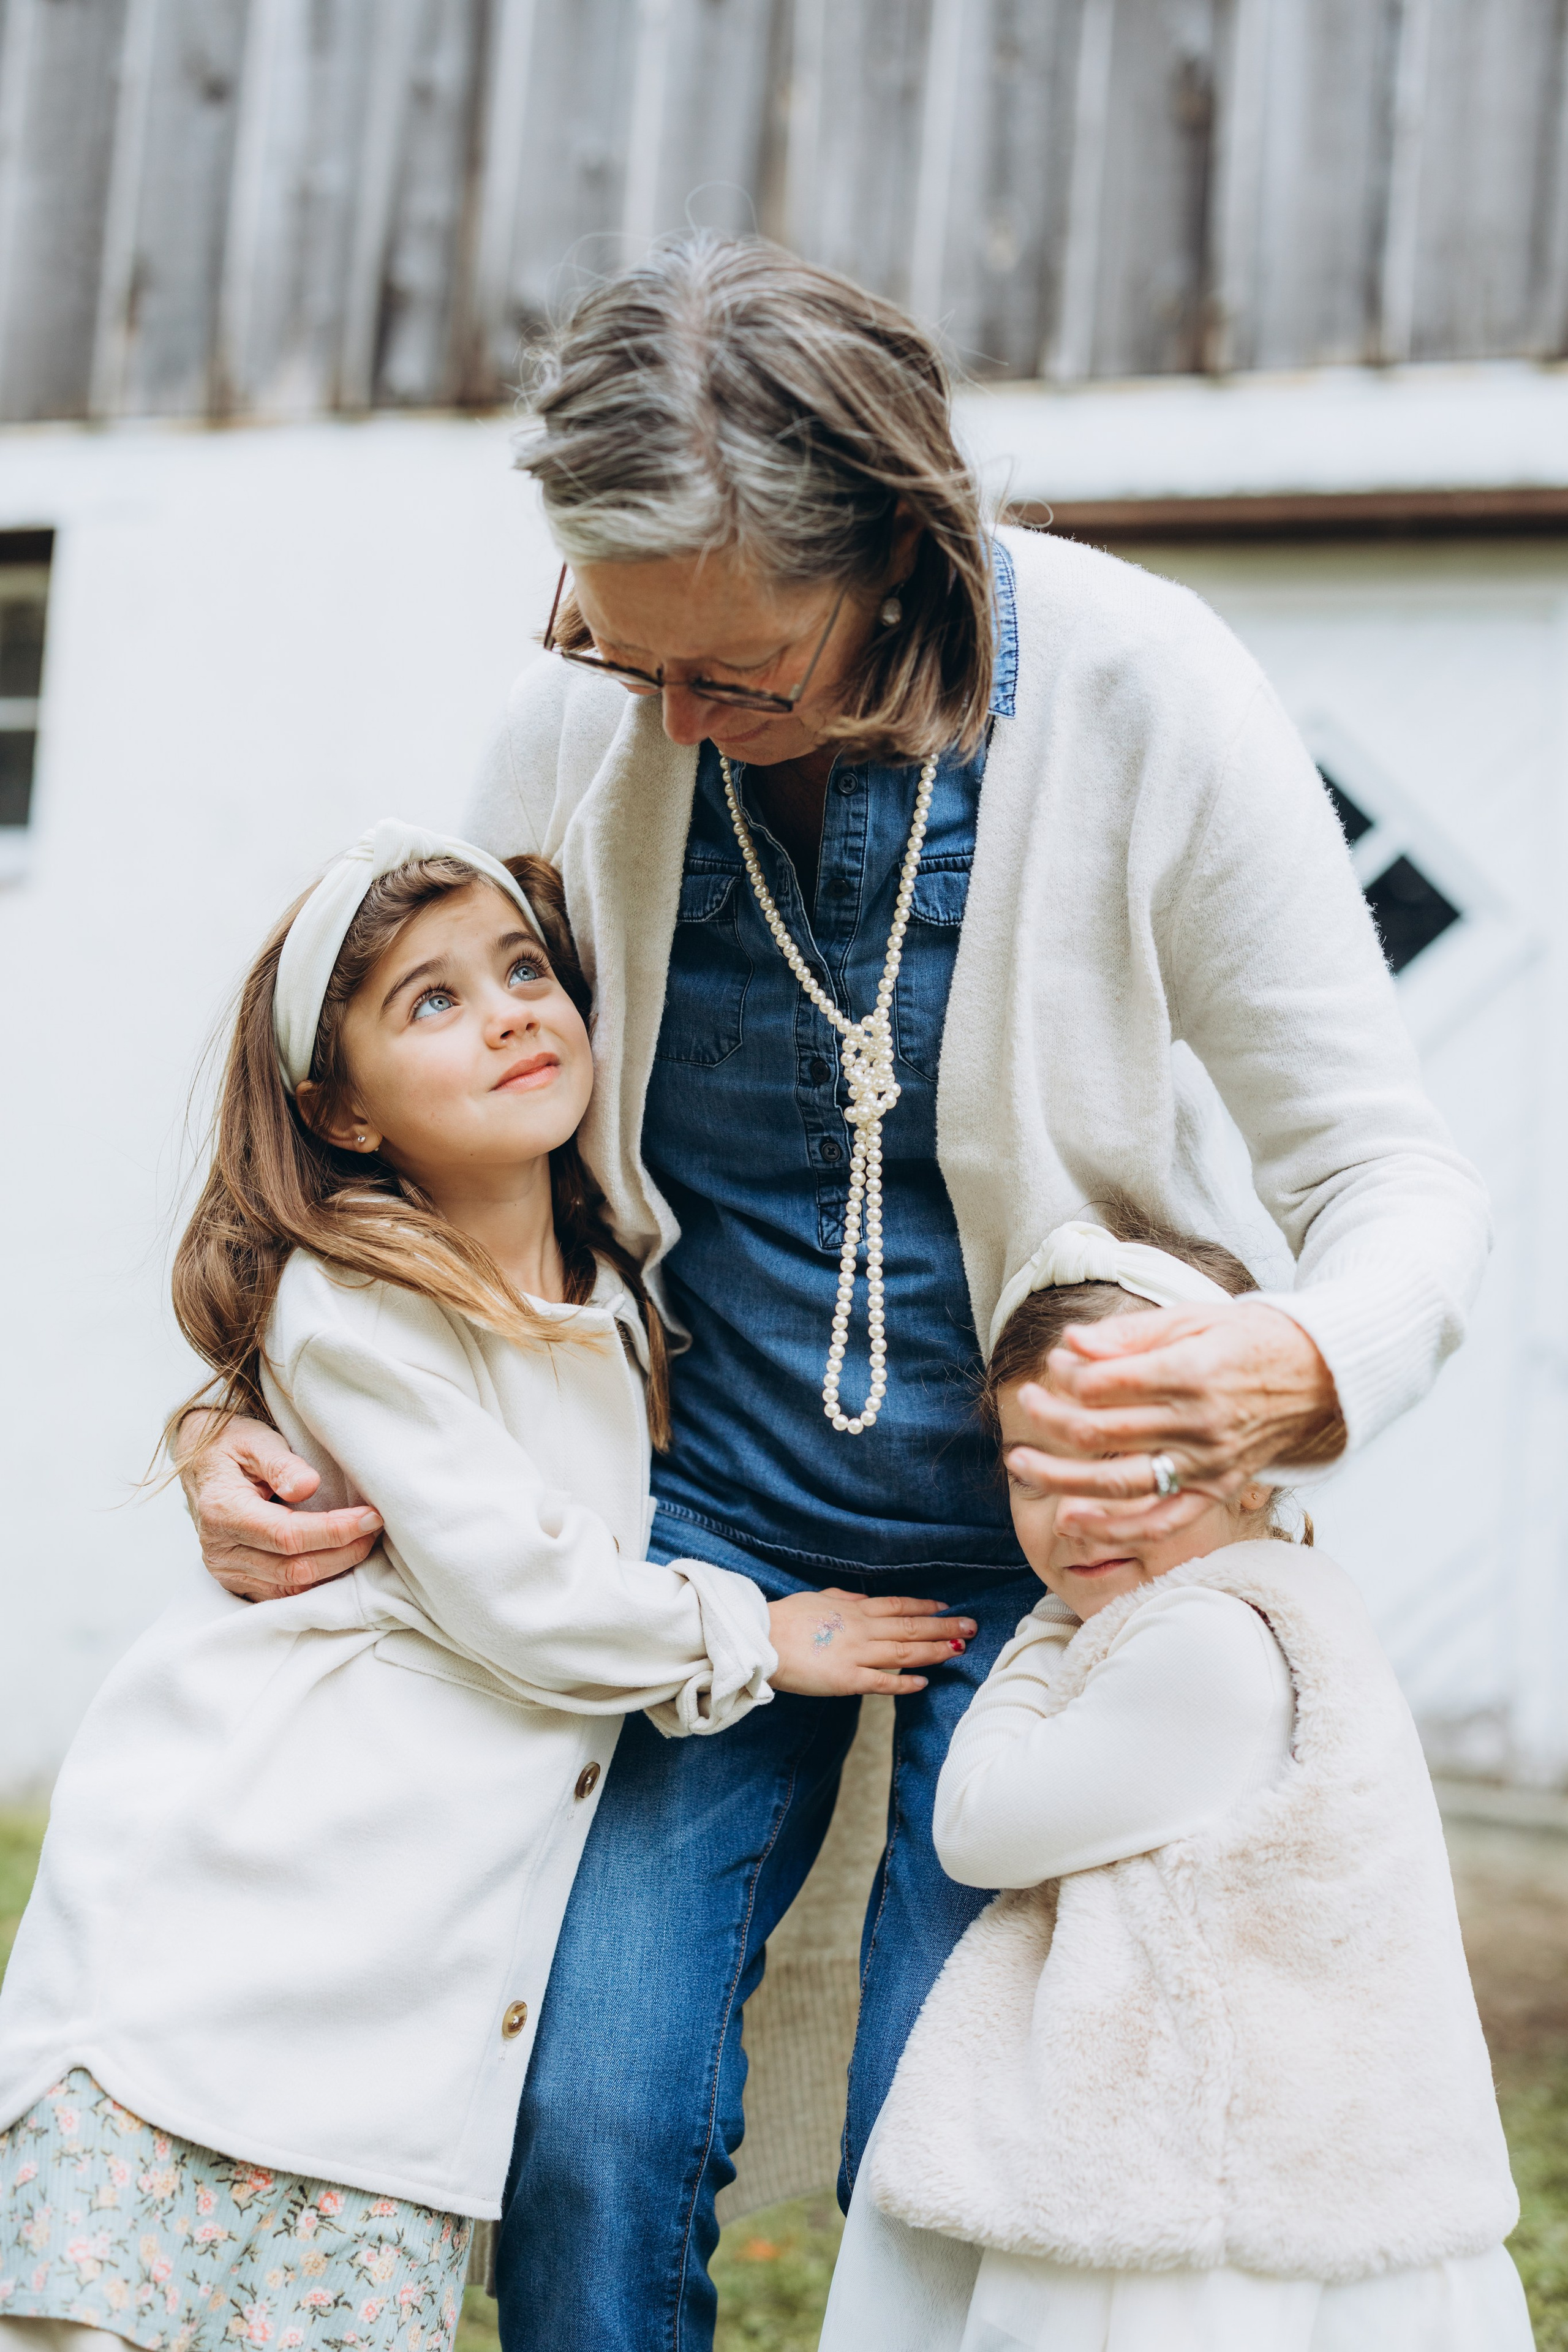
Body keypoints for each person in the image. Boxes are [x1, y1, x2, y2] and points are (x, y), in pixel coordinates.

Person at [175, 235, 1491, 2350]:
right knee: (588, 2120)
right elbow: (372, 1116)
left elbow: (1387, 1170)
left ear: (902, 556)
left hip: (1071, 1565)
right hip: (699, 1542)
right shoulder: (590, 719)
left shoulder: (1150, 692)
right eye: (625, 659)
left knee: (944, 2153)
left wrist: (1302, 1357)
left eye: (740, 678)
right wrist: (234, 1427)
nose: (673, 720)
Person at [0, 823, 959, 2352]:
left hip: (402, 1988)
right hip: (242, 1914)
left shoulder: (625, 1287)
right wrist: (753, 1634)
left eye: (524, 970)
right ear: (342, 1111)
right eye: (430, 1002)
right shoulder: (358, 1297)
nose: (511, 1011)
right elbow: (523, 1594)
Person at [820, 1206, 1531, 2352]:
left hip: (1196, 2196)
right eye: (1034, 1476)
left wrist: (1045, 1623)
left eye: (1130, 1464)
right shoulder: (1269, 1604)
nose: (1076, 1515)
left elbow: (977, 1823)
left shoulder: (1206, 1648)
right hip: (1247, 2151)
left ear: (1256, 1463)